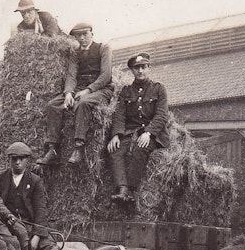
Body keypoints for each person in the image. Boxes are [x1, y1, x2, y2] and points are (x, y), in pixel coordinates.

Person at [37, 23, 114, 167]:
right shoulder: (75, 53)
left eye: (85, 34)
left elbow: (105, 76)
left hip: (101, 89)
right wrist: (68, 93)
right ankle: (53, 148)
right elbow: (71, 75)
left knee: (83, 103)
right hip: (80, 87)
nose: (83, 38)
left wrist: (88, 90)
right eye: (79, 35)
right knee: (53, 105)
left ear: (92, 33)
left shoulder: (103, 48)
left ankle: (79, 146)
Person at [107, 53, 170, 204]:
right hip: (130, 131)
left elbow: (161, 115)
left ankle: (131, 190)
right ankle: (122, 189)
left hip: (153, 133)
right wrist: (116, 135)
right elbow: (120, 115)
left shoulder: (159, 88)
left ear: (149, 68)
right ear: (132, 71)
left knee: (140, 148)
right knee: (115, 149)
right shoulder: (126, 91)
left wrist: (148, 133)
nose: (140, 71)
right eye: (136, 68)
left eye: (143, 67)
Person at [0, 142, 64, 250]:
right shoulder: (0, 178)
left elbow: (40, 210)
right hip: (9, 228)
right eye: (14, 158)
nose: (17, 162)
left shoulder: (35, 181)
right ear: (9, 160)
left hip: (31, 228)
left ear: (27, 160)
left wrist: (37, 236)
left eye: (22, 158)